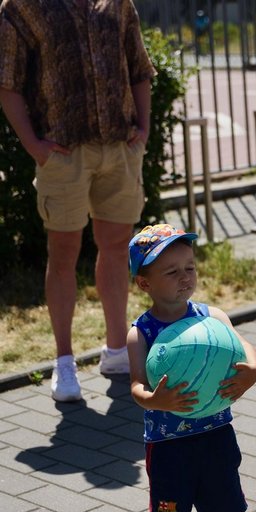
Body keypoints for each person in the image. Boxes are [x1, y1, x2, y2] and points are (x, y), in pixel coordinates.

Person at [0, 0, 155, 401]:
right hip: (62, 152)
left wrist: (143, 129)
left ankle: (117, 350)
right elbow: (7, 82)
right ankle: (64, 362)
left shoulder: (117, 3)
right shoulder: (22, 8)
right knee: (63, 252)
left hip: (119, 148)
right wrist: (33, 145)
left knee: (117, 247)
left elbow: (139, 68)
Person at [126, 224, 256, 512]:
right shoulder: (142, 332)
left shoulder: (211, 316)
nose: (185, 276)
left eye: (189, 267)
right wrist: (155, 399)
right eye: (172, 271)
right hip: (168, 444)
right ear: (144, 283)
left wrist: (252, 368)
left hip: (216, 434)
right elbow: (136, 385)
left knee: (217, 508)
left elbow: (243, 347)